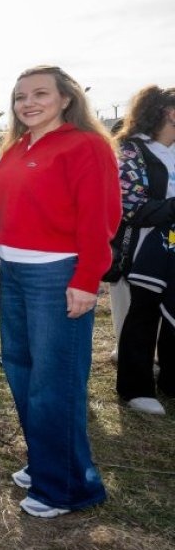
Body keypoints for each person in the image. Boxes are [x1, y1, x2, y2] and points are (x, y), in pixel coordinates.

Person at [0, 65, 119, 518]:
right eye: (20, 96)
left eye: (39, 94)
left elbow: (99, 217)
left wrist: (86, 281)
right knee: (21, 371)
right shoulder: (15, 147)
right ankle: (48, 462)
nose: (28, 103)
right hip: (13, 271)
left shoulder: (85, 145)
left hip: (56, 276)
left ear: (66, 98)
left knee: (55, 381)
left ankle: (66, 487)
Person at [114, 85, 175, 414]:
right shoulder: (132, 150)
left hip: (173, 246)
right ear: (170, 113)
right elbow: (131, 206)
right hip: (142, 246)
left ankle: (170, 380)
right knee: (144, 311)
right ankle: (135, 387)